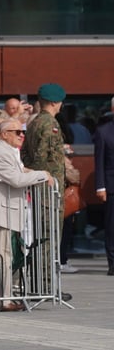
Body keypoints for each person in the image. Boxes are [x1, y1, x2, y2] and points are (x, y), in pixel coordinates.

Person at [0, 118, 52, 310]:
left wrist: (31, 171)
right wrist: (42, 174)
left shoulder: (6, 150)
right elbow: (15, 179)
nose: (21, 135)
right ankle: (2, 299)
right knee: (1, 256)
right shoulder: (2, 152)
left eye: (22, 131)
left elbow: (17, 171)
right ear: (4, 133)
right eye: (17, 132)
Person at [20, 83, 67, 296]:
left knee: (42, 237)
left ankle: (42, 284)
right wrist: (45, 177)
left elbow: (26, 155)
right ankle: (46, 287)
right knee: (49, 238)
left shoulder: (34, 122)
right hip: (47, 190)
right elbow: (40, 156)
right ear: (56, 102)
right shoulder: (49, 123)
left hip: (40, 188)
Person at [94, 97, 114, 276]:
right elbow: (99, 161)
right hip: (111, 185)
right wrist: (100, 186)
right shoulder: (103, 131)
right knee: (111, 226)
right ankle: (113, 263)